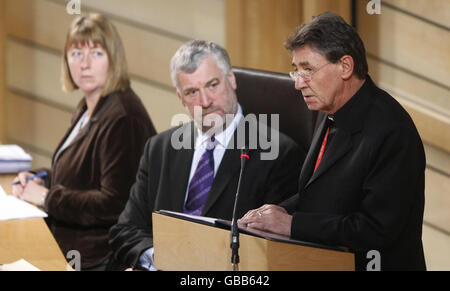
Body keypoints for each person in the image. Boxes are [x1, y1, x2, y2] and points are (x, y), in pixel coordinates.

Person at [239, 12, 426, 271]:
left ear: (345, 67)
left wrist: (291, 224)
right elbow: (320, 194)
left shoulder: (393, 131)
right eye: (296, 71)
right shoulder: (330, 111)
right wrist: (274, 213)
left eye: (308, 70)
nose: (298, 84)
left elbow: (375, 230)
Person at [109, 40, 303, 270]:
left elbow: (273, 249)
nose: (205, 102)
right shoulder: (159, 149)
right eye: (192, 92)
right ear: (180, 97)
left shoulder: (277, 153)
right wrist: (158, 259)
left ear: (230, 79)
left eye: (212, 85)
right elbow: (125, 231)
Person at [11, 13, 156, 270]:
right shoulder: (90, 105)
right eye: (76, 54)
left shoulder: (124, 117)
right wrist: (39, 177)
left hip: (96, 257)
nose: (85, 64)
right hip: (70, 243)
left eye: (97, 54)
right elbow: (79, 173)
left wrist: (47, 197)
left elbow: (114, 204)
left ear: (114, 59)